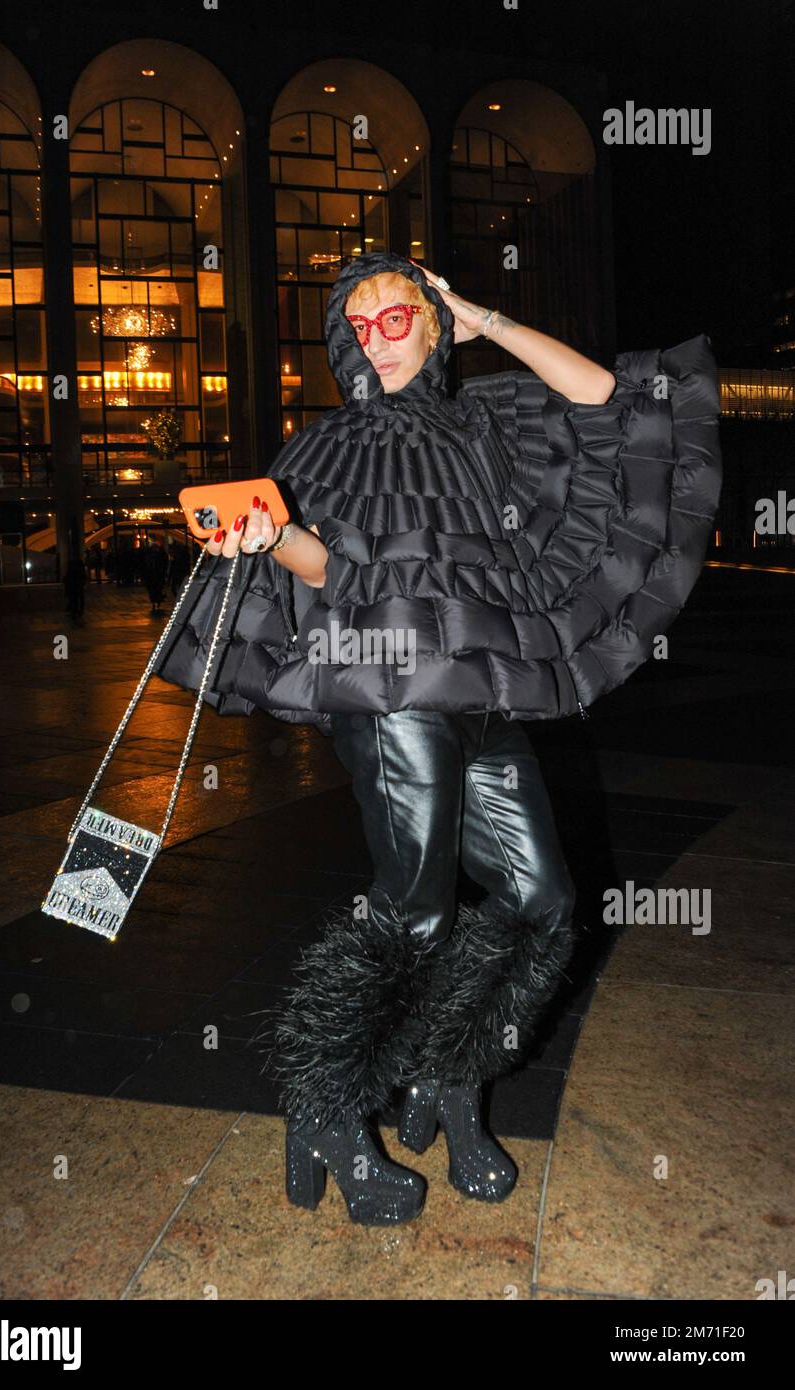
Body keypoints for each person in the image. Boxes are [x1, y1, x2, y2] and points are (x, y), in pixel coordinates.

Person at [152, 251, 722, 1226]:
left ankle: (448, 1080)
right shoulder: (326, 445)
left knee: (541, 899)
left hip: (482, 684)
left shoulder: (481, 423)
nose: (379, 338)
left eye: (397, 316)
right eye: (361, 325)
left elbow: (597, 394)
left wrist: (482, 317)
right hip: (387, 692)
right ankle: (327, 1109)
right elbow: (328, 569)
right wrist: (264, 533)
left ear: (430, 320)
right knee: (416, 912)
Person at [141, 539, 168, 614]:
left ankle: (156, 601)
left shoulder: (151, 555)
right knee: (155, 589)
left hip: (155, 575)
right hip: (155, 575)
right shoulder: (160, 555)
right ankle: (156, 601)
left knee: (155, 589)